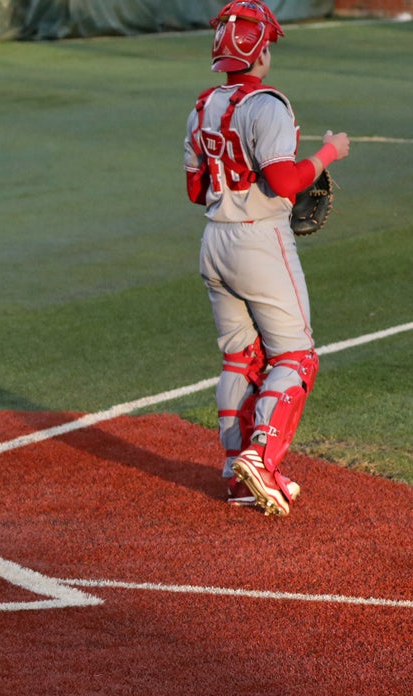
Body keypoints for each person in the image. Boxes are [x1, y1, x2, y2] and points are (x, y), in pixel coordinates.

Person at [183, 0, 350, 517]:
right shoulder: (269, 105)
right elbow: (282, 181)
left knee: (240, 358)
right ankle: (261, 457)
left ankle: (236, 475)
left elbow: (195, 189)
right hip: (259, 241)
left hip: (214, 242)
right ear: (260, 51)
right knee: (295, 357)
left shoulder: (202, 106)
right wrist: (326, 156)